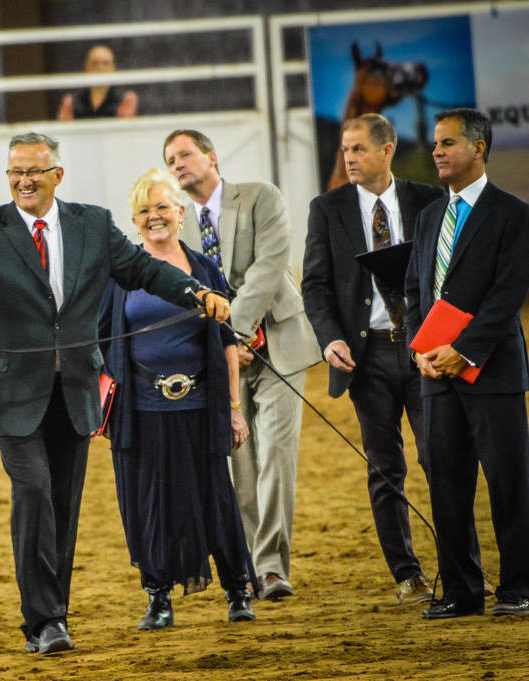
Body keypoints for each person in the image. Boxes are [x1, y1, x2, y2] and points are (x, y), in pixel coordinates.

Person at [0, 132, 230, 655]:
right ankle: (41, 620)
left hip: (77, 389)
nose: (24, 180)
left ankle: (53, 615)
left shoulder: (93, 225)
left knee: (63, 504)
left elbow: (144, 270)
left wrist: (195, 292)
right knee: (33, 492)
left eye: (34, 171)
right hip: (14, 394)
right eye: (15, 171)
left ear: (58, 175)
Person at [163, 129, 321, 601]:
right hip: (223, 361)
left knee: (275, 455)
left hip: (277, 347)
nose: (177, 164)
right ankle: (249, 565)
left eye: (185, 154)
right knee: (240, 466)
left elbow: (271, 267)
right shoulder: (177, 226)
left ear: (212, 156)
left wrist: (235, 326)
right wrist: (226, 343)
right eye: (170, 160)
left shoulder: (259, 197)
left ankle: (272, 567)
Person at [99, 168, 257, 626]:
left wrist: (232, 408)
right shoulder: (119, 276)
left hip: (200, 406)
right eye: (144, 210)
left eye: (163, 207)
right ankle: (158, 597)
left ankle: (236, 591)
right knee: (150, 503)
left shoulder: (206, 270)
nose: (154, 217)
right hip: (140, 410)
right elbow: (98, 340)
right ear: (133, 220)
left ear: (181, 212)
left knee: (215, 498)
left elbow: (227, 343)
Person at [301, 113, 444, 605]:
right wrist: (329, 338)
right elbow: (315, 283)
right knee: (386, 467)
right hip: (366, 357)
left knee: (442, 457)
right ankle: (408, 574)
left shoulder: (429, 201)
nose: (349, 159)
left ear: (387, 150)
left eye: (358, 149)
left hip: (426, 352)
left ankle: (459, 568)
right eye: (345, 150)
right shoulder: (327, 208)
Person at [405, 108, 529, 619]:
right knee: (447, 483)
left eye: (449, 143)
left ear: (479, 148)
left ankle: (520, 587)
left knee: (509, 483)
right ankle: (461, 590)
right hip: (436, 373)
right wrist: (421, 350)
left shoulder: (513, 213)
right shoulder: (429, 215)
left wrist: (467, 349)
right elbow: (415, 291)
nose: (437, 151)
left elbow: (508, 295)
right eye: (435, 143)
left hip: (491, 370)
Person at [57, 44, 138, 121]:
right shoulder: (70, 102)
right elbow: (65, 132)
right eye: (94, 63)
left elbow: (123, 132)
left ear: (113, 67)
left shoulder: (126, 99)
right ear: (86, 67)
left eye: (106, 63)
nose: (100, 68)